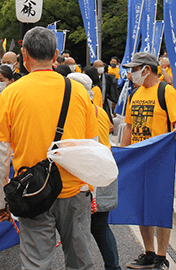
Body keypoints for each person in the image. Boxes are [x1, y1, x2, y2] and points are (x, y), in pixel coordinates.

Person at [0, 26, 98, 270]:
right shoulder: (79, 92)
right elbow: (94, 147)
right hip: (75, 189)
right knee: (80, 261)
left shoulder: (11, 94)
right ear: (56, 54)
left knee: (36, 263)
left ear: (24, 54)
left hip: (32, 191)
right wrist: (92, 190)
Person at [121, 52, 176, 270]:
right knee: (141, 207)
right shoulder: (135, 93)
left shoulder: (165, 91)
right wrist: (122, 153)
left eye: (133, 69)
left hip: (160, 159)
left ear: (146, 69)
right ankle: (148, 252)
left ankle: (161, 255)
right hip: (138, 157)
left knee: (160, 205)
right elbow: (129, 126)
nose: (131, 74)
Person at [69, 72, 120, 270]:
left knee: (80, 229)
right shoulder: (99, 110)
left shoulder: (77, 113)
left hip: (87, 175)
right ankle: (113, 267)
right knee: (99, 226)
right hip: (105, 171)